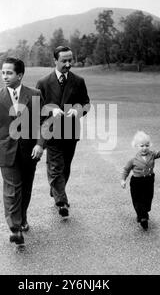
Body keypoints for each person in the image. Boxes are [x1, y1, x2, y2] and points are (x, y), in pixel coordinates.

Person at [0, 57, 44, 245]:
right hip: (6, 151)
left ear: (20, 75)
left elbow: (43, 123)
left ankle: (22, 218)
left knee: (25, 189)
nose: (5, 76)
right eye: (3, 72)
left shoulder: (35, 94)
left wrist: (40, 144)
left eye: (9, 73)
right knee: (12, 189)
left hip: (30, 152)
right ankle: (15, 228)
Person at [36, 46, 90, 218]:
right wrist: (51, 111)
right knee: (55, 166)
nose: (68, 64)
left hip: (71, 132)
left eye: (70, 60)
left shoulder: (78, 81)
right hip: (51, 132)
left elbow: (86, 103)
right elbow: (36, 108)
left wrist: (78, 110)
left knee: (65, 167)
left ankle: (56, 189)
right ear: (55, 61)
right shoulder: (43, 83)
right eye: (64, 61)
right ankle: (62, 201)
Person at [120, 131, 160, 230]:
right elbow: (126, 169)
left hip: (149, 180)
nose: (144, 148)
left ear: (149, 145)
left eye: (147, 145)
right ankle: (142, 217)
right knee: (137, 200)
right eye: (141, 146)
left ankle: (143, 212)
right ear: (136, 146)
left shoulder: (152, 155)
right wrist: (123, 180)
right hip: (137, 182)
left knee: (148, 198)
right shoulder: (133, 159)